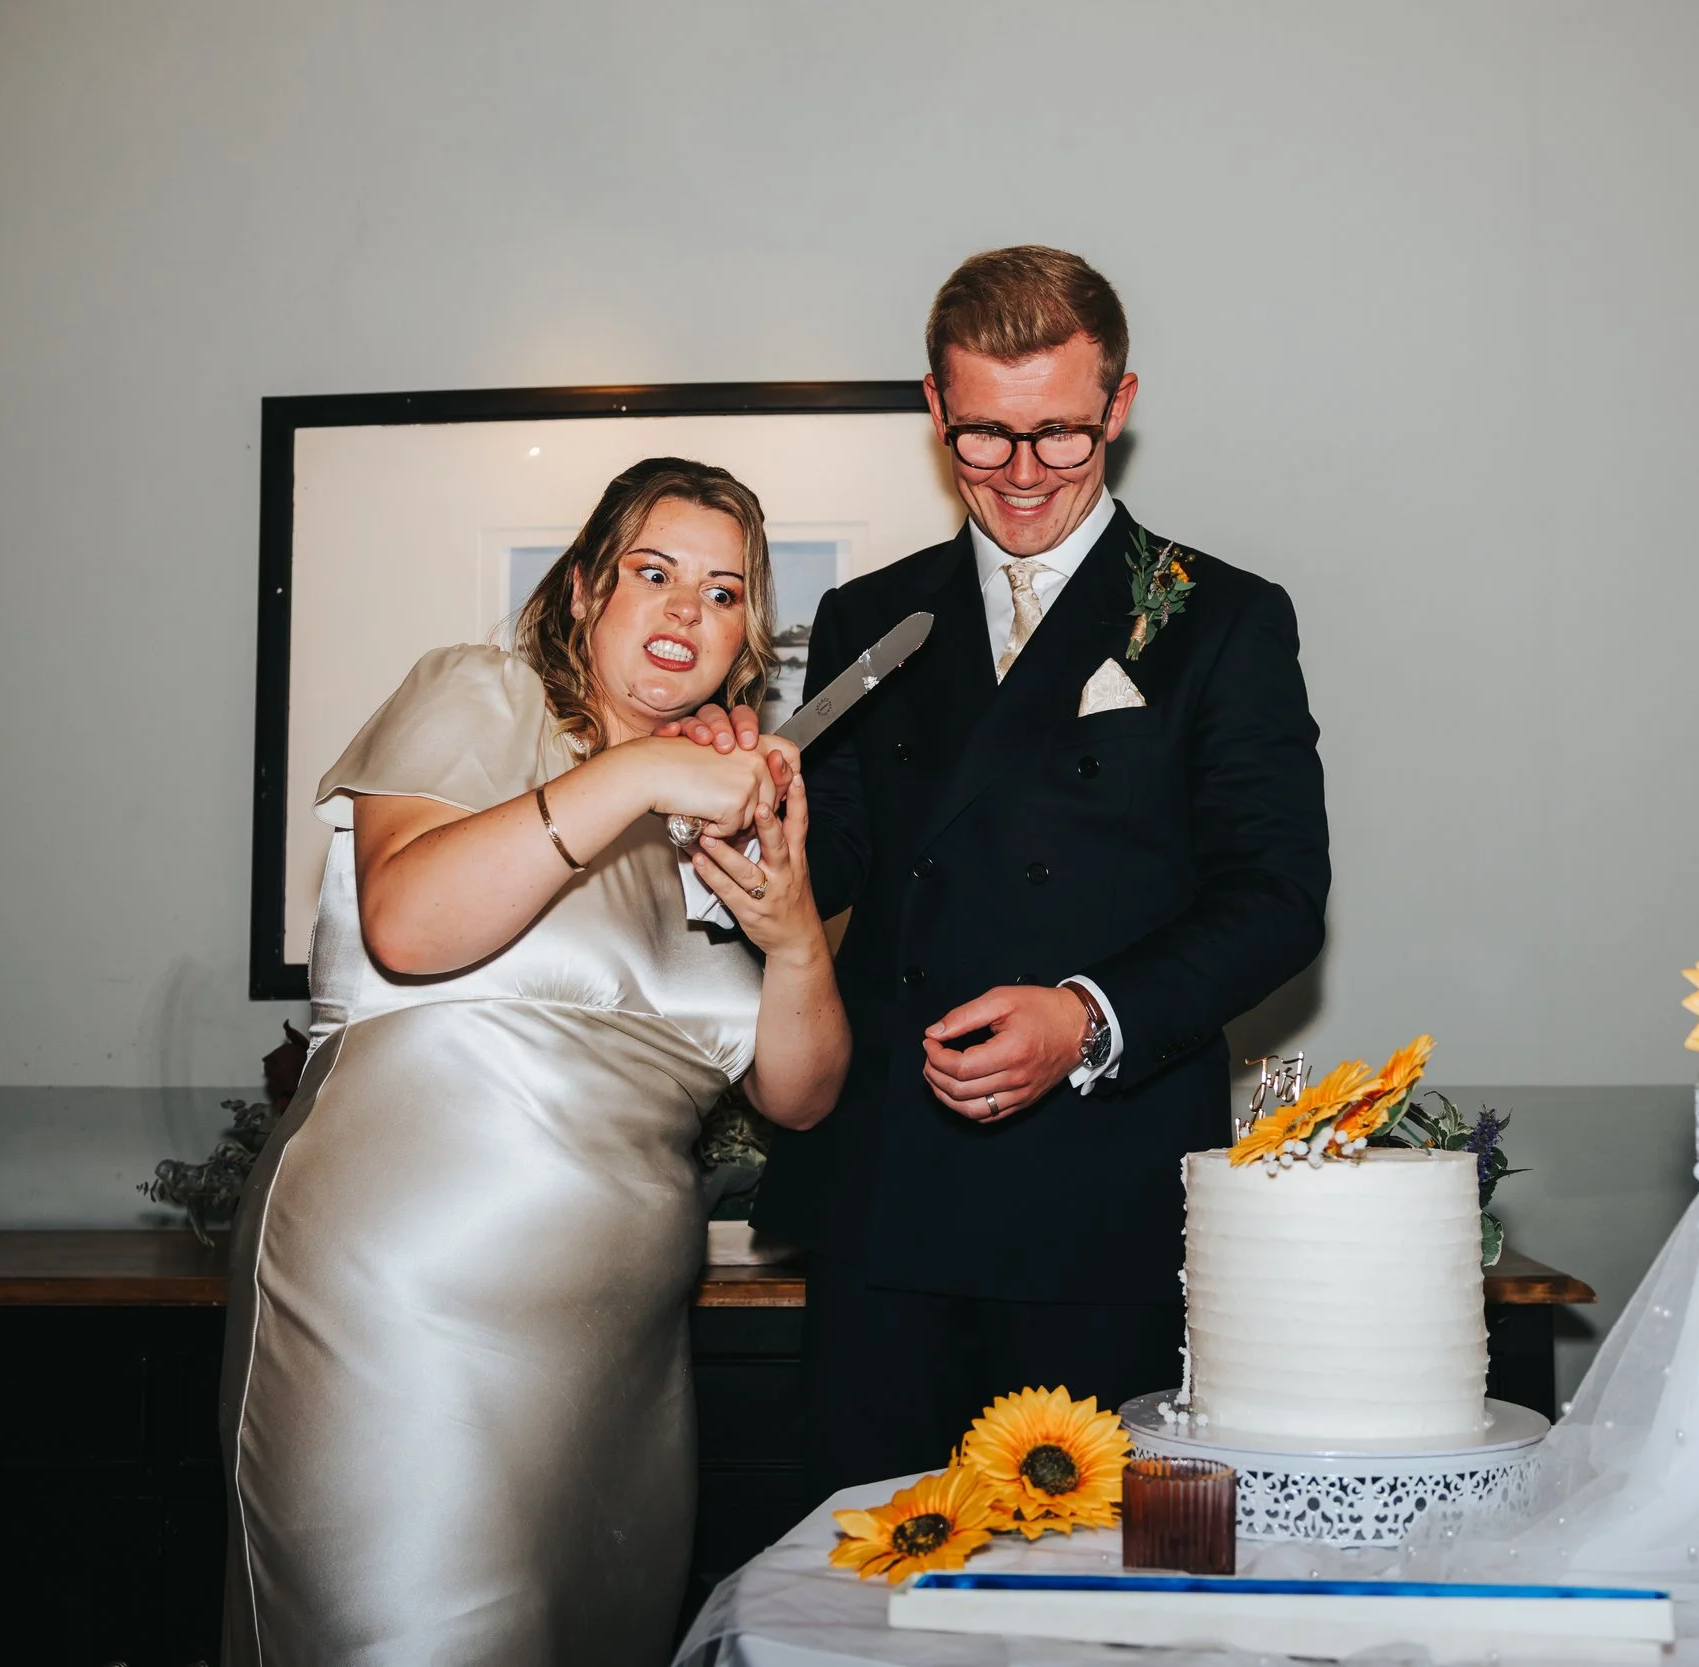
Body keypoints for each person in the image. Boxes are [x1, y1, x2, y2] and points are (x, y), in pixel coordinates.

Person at [672, 247, 1330, 1493]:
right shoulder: (874, 616)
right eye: (983, 437)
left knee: (1077, 1590)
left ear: (1118, 407)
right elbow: (849, 850)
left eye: (1060, 438)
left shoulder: (1220, 616)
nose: (1022, 477)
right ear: (934, 407)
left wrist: (1085, 1012)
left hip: (1099, 1191)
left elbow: (1276, 896)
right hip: (886, 1191)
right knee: (861, 1571)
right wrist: (741, 808)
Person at [219, 457, 849, 1666]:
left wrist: (789, 929)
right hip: (398, 1310)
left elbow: (800, 1094)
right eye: (653, 574)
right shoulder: (485, 695)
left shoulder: (718, 814)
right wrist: (635, 769)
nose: (685, 612)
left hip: (622, 1358)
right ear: (579, 592)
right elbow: (407, 921)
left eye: (723, 596)